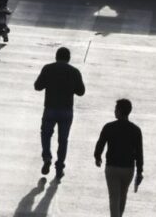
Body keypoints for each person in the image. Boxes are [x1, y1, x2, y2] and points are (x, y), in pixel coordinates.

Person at [34, 47, 86, 180]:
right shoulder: (74, 71)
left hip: (50, 108)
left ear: (56, 57)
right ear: (68, 58)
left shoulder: (48, 68)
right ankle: (59, 167)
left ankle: (47, 158)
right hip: (66, 111)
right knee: (63, 140)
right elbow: (81, 91)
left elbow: (37, 86)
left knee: (46, 134)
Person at [95, 99, 144, 217]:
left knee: (114, 197)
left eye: (115, 109)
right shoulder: (136, 130)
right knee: (122, 196)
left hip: (112, 168)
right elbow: (139, 153)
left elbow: (100, 144)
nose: (114, 111)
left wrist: (97, 157)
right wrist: (139, 171)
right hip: (128, 169)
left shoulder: (109, 127)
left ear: (119, 111)